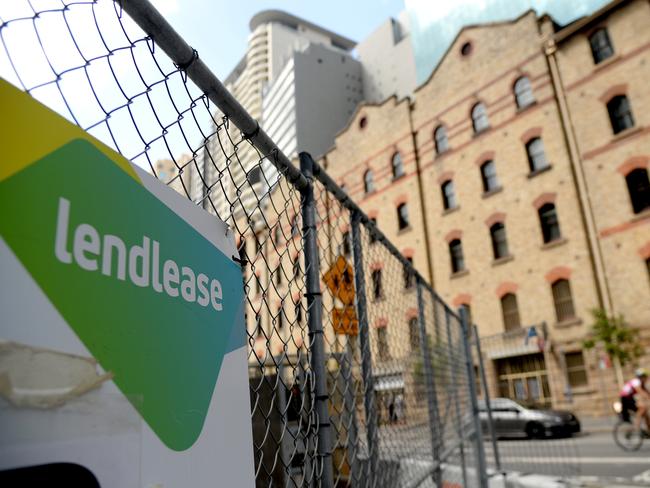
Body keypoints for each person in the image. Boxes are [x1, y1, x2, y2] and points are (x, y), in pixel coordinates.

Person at [620, 368, 650, 433]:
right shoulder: (636, 381)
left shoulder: (640, 383)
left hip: (630, 398)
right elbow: (640, 391)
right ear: (641, 377)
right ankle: (636, 426)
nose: (646, 378)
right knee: (642, 409)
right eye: (645, 377)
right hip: (625, 399)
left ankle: (648, 430)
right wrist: (647, 397)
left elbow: (647, 392)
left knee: (645, 414)